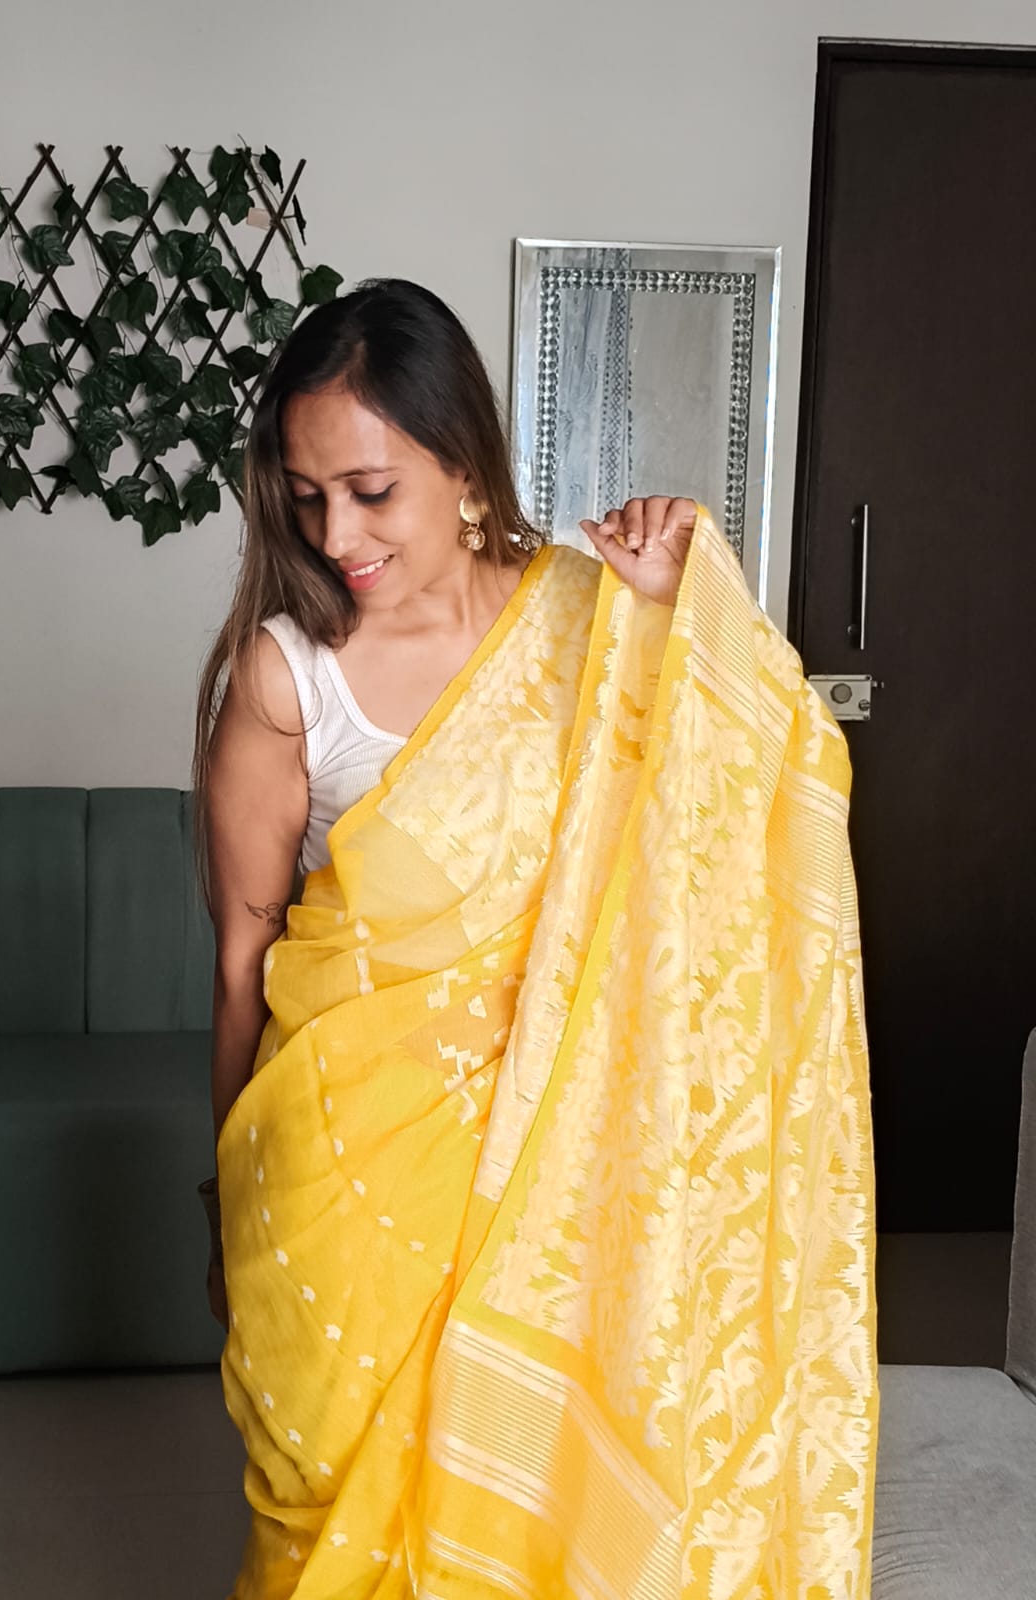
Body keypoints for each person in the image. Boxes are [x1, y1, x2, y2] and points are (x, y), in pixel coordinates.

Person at [192, 279, 878, 1600]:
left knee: (528, 1528)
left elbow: (748, 792)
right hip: (346, 1185)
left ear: (463, 465)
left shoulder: (590, 622)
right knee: (333, 1532)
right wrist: (223, 1205)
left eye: (372, 491)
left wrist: (685, 605)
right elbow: (241, 964)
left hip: (560, 1176)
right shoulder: (291, 675)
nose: (339, 534)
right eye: (308, 495)